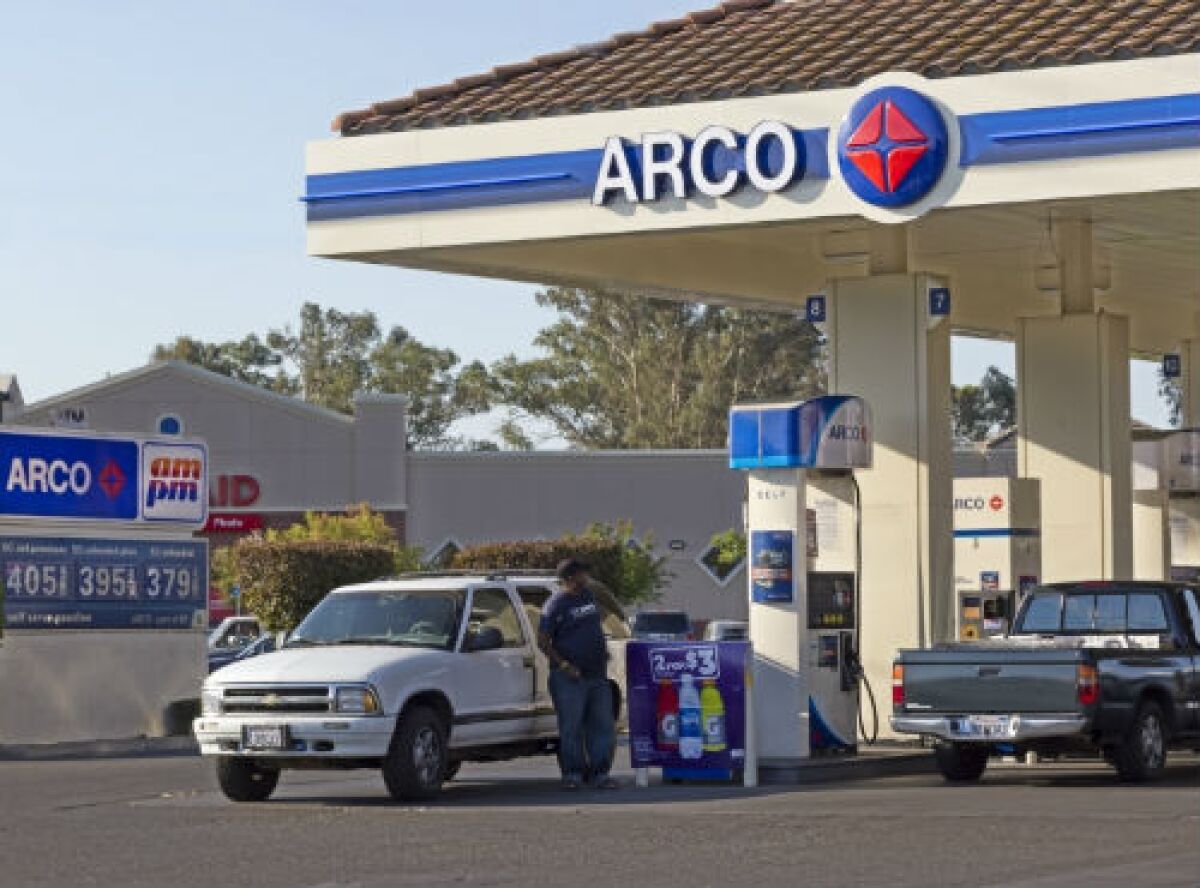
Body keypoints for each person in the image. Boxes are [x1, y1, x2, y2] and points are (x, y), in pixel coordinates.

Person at [538, 558, 618, 790]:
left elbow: (592, 627)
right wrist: (564, 665)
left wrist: (602, 651)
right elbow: (543, 641)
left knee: (602, 725)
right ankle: (572, 775)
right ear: (571, 577)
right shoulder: (555, 604)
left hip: (597, 675)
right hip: (569, 678)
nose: (587, 577)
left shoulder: (588, 597)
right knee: (571, 727)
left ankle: (600, 774)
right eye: (583, 573)